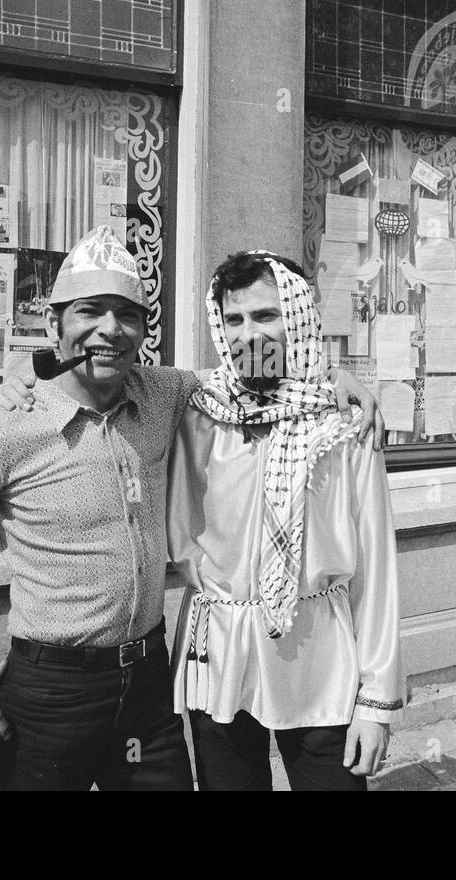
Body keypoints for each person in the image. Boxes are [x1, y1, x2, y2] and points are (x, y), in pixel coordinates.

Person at [0, 228, 381, 791]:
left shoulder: (165, 395)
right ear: (53, 325)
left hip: (148, 690)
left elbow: (254, 380)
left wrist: (332, 377)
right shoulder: (2, 429)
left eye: (127, 314)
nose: (109, 329)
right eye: (89, 312)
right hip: (51, 695)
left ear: (145, 330)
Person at [171, 252, 401, 790]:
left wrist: (375, 703)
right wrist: (25, 373)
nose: (248, 334)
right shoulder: (196, 409)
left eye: (265, 315)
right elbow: (105, 371)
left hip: (319, 658)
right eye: (234, 319)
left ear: (297, 316)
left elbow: (377, 569)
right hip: (221, 654)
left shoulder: (344, 422)